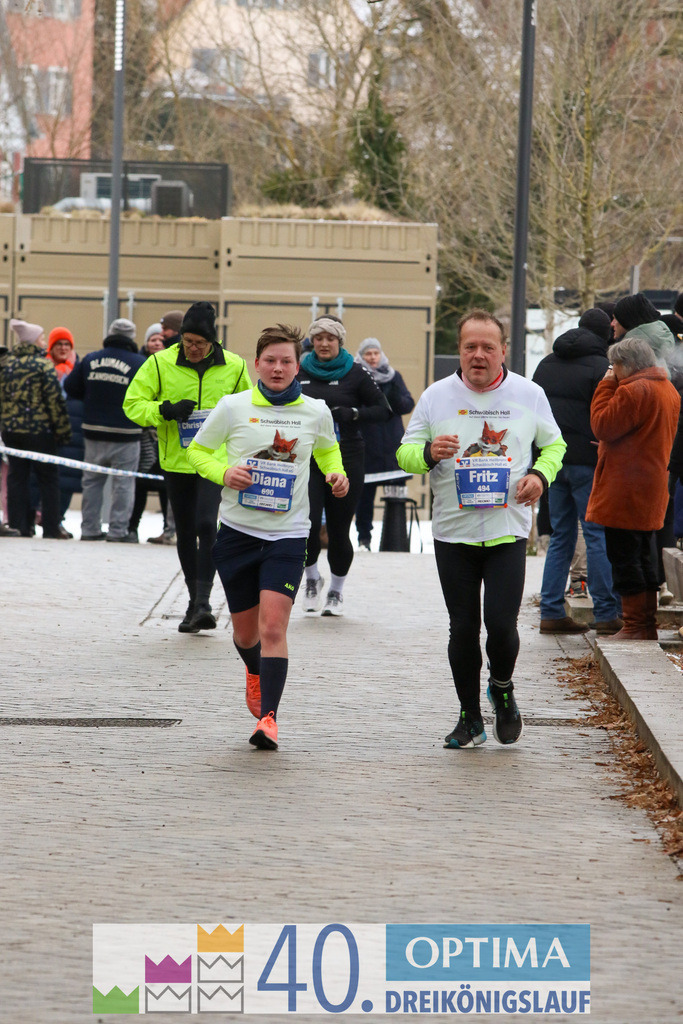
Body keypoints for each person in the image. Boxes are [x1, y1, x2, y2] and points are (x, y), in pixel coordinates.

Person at [397, 309, 566, 749]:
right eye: (470, 346)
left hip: (507, 529)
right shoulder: (436, 396)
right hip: (454, 532)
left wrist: (541, 477)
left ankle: (503, 688)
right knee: (463, 627)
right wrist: (429, 454)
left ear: (503, 350)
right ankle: (470, 717)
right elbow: (405, 453)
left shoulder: (528, 394)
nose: (478, 355)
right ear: (459, 349)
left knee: (502, 626)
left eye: (487, 347)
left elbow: (555, 444)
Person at [187, 323, 348, 750]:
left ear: (299, 366)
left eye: (287, 361)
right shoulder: (233, 407)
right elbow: (197, 450)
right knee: (245, 635)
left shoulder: (315, 411)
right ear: (257, 363)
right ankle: (254, 671)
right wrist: (224, 472)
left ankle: (269, 719)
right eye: (271, 361)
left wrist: (336, 473)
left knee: (274, 626)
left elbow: (328, 448)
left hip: (289, 536)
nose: (279, 368)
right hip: (238, 534)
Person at [124, 301, 252, 632]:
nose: (193, 349)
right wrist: (164, 411)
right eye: (188, 341)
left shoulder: (235, 366)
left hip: (213, 461)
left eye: (201, 343)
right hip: (176, 461)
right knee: (185, 531)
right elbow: (132, 404)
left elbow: (247, 409)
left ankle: (204, 602)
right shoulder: (159, 362)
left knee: (207, 524)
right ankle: (195, 602)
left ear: (213, 342)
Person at [532, 308, 622, 635]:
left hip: (552, 461)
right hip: (588, 460)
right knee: (596, 534)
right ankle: (607, 613)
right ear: (606, 335)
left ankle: (552, 611)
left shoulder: (545, 364)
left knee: (561, 536)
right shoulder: (603, 368)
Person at [586, 337, 679, 639]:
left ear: (626, 365)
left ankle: (637, 626)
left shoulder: (633, 390)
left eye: (614, 366)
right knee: (642, 555)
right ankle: (644, 624)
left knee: (625, 557)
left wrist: (606, 386)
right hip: (650, 484)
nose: (612, 371)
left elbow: (602, 424)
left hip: (626, 488)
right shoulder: (666, 389)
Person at [298, 315, 390, 615]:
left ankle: (336, 592)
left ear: (340, 342)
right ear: (312, 341)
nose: (324, 344)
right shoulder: (298, 369)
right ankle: (312, 579)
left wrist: (352, 413)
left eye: (331, 339)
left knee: (339, 529)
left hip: (347, 456)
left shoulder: (355, 372)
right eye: (319, 338)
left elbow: (383, 410)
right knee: (307, 524)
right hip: (307, 457)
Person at [64, 317, 145, 542]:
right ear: (131, 337)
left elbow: (71, 387)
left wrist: (92, 399)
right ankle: (118, 531)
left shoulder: (91, 359)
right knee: (124, 484)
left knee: (91, 482)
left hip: (93, 431)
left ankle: (89, 529)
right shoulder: (140, 363)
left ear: (110, 334)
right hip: (127, 433)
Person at [0, 318, 71, 538]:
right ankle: (51, 527)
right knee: (48, 478)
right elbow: (54, 401)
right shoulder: (42, 365)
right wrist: (63, 430)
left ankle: (18, 525)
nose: (43, 341)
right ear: (33, 340)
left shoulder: (7, 364)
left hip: (12, 432)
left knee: (17, 478)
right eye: (41, 337)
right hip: (39, 432)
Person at [353, 337, 415, 550]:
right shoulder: (356, 376)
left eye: (375, 353)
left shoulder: (393, 376)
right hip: (366, 445)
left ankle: (395, 538)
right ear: (361, 356)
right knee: (364, 496)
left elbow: (408, 404)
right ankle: (364, 539)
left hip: (391, 445)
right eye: (368, 354)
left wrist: (393, 398)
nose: (372, 357)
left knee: (395, 494)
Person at [127, 324, 176, 545]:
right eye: (151, 339)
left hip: (166, 434)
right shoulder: (141, 364)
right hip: (144, 435)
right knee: (140, 485)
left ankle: (168, 529)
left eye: (159, 339)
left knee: (167, 486)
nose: (156, 342)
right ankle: (131, 528)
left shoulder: (170, 364)